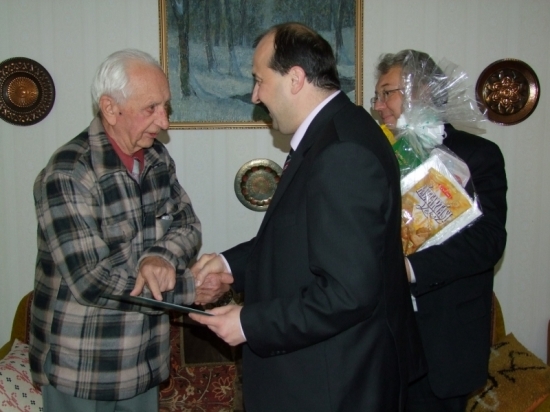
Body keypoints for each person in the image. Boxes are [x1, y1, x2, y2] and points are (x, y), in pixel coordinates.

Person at [189, 23, 426, 412]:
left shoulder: (342, 151)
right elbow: (299, 237)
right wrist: (229, 264)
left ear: (295, 78)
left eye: (259, 80)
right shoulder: (333, 133)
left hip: (335, 385)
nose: (255, 96)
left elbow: (348, 293)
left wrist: (249, 323)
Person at [29, 49, 229, 412]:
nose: (164, 122)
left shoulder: (156, 158)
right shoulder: (68, 173)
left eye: (166, 107)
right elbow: (91, 281)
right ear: (110, 108)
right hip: (82, 368)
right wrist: (189, 289)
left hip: (144, 362)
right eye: (151, 108)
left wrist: (160, 257)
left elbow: (187, 224)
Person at [372, 49, 508, 411]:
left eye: (387, 93)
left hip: (445, 343)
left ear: (423, 91)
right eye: (377, 96)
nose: (378, 105)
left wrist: (411, 268)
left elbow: (489, 240)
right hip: (382, 343)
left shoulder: (476, 155)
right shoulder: (376, 156)